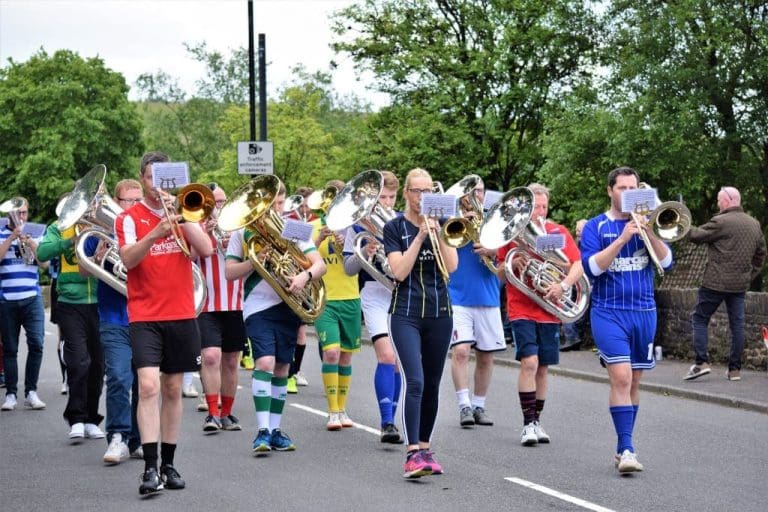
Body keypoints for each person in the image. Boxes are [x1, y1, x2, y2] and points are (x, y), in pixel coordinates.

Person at [115, 151, 213, 495]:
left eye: (163, 178)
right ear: (142, 179)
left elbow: (206, 249)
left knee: (173, 389)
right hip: (145, 316)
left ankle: (169, 464)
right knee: (148, 387)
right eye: (151, 178)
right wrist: (156, 232)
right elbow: (128, 259)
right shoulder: (129, 217)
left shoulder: (185, 212)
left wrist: (183, 218)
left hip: (182, 313)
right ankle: (149, 467)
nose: (157, 185)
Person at [580, 166, 673, 474]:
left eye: (633, 188)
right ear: (610, 191)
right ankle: (627, 447)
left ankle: (624, 446)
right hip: (609, 312)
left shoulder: (647, 225)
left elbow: (667, 262)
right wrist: (622, 240)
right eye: (621, 188)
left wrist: (647, 231)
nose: (627, 193)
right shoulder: (596, 226)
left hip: (644, 312)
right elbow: (592, 267)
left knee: (634, 380)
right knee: (620, 377)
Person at [225, 179, 326, 454]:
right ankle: (262, 431)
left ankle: (275, 429)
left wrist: (304, 276)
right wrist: (256, 260)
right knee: (265, 361)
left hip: (289, 305)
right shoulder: (242, 233)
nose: (274, 210)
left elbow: (320, 265)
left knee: (282, 366)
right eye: (272, 204)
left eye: (278, 204)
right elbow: (230, 272)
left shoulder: (294, 228)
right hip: (257, 306)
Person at [383, 168, 458, 478]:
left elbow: (451, 266)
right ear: (407, 194)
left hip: (440, 312)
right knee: (415, 381)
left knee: (433, 383)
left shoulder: (442, 225)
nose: (423, 197)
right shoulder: (394, 228)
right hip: (406, 312)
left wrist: (438, 232)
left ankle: (425, 448)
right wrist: (420, 237)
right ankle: (412, 452)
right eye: (417, 192)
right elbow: (399, 271)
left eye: (429, 192)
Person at [497, 183, 584, 446]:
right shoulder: (512, 235)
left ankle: (536, 420)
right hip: (521, 306)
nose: (540, 212)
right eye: (535, 207)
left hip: (548, 309)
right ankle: (527, 424)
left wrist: (563, 285)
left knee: (543, 368)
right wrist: (512, 262)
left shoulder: (558, 232)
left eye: (544, 207)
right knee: (530, 363)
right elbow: (500, 273)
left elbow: (576, 265)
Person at [82, 179, 143, 464]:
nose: (133, 205)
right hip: (113, 316)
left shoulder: (147, 228)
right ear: (117, 202)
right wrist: (96, 257)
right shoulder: (102, 231)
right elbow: (83, 271)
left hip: (146, 315)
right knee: (119, 376)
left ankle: (138, 439)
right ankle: (117, 435)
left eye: (137, 199)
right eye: (128, 201)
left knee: (145, 381)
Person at [342, 171, 403, 442]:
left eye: (391, 197)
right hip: (374, 291)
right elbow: (347, 268)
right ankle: (386, 421)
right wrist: (364, 253)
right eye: (382, 198)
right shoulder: (356, 226)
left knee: (400, 363)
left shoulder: (403, 221)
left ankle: (394, 416)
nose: (387, 203)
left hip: (401, 293)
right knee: (386, 357)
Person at [39, 200, 107, 442]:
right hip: (70, 303)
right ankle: (76, 418)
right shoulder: (59, 227)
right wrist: (70, 239)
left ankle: (91, 418)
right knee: (79, 361)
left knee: (98, 364)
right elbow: (42, 253)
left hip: (100, 302)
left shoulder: (100, 224)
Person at [683, 186, 766, 382]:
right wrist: (749, 275)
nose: (718, 204)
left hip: (714, 283)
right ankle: (735, 370)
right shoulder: (754, 224)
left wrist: (678, 223)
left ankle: (701, 363)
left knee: (699, 319)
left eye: (720, 201)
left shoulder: (721, 221)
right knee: (737, 325)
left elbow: (695, 235)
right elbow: (761, 254)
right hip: (739, 285)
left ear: (728, 201)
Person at [448, 178, 506, 428]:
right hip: (458, 295)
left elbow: (506, 262)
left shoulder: (496, 222)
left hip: (488, 296)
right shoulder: (452, 221)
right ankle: (464, 406)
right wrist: (464, 222)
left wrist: (494, 251)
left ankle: (479, 405)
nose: (476, 195)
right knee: (461, 351)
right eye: (471, 191)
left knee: (486, 355)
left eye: (480, 191)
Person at [313, 179, 362, 431]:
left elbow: (361, 263)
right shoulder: (313, 226)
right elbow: (299, 258)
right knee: (331, 352)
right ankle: (332, 411)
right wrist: (318, 238)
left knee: (345, 357)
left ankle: (342, 409)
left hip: (351, 298)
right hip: (325, 299)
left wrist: (351, 250)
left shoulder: (355, 228)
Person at [197, 183, 246, 433]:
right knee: (211, 356)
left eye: (220, 202)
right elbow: (191, 256)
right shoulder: (195, 226)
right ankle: (212, 413)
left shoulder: (239, 227)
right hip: (206, 303)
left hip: (235, 302)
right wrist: (205, 232)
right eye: (212, 203)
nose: (217, 208)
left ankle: (227, 412)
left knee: (230, 361)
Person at [0, 197, 47, 411]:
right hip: (7, 299)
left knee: (36, 344)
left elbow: (45, 264)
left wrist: (31, 243)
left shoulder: (36, 232)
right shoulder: (1, 232)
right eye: (17, 214)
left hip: (32, 297)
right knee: (10, 349)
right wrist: (11, 238)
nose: (21, 217)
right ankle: (11, 394)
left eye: (24, 213)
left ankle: (31, 391)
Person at [283, 185, 316, 392]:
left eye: (308, 205)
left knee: (301, 333)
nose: (306, 208)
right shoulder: (288, 219)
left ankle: (294, 372)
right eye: (303, 204)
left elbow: (315, 257)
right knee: (291, 332)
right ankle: (287, 373)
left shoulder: (311, 222)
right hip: (286, 277)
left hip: (304, 280)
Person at [561, 218, 588, 352]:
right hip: (575, 280)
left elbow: (580, 262)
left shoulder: (588, 242)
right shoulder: (577, 242)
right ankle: (572, 338)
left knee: (573, 309)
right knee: (569, 308)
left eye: (580, 229)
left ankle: (573, 338)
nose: (577, 232)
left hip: (585, 280)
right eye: (577, 229)